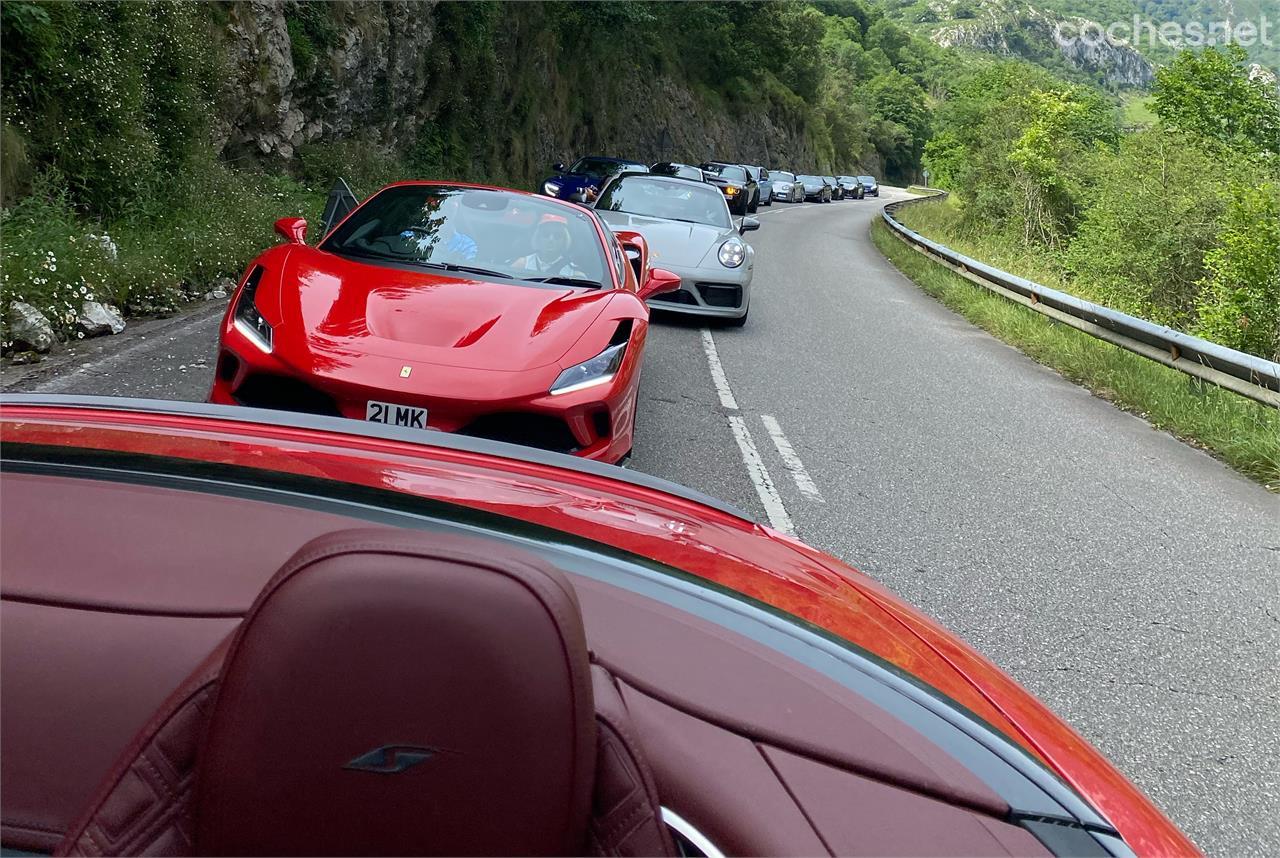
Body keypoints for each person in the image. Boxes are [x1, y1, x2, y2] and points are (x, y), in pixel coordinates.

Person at [512, 220, 585, 278]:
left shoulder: (573, 273)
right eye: (546, 234)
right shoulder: (522, 264)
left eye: (557, 235)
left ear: (564, 241)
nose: (551, 239)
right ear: (538, 238)